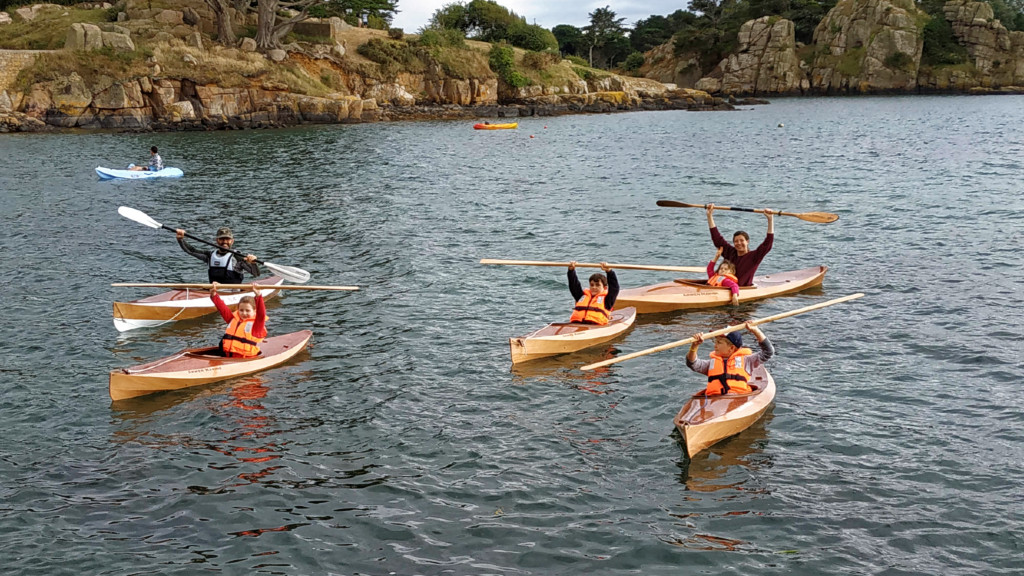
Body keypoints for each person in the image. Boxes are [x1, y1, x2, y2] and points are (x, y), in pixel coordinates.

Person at [685, 322, 773, 396]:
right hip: (714, 400)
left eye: (719, 342)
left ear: (731, 348)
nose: (715, 345)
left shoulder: (747, 361)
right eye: (715, 342)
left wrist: (755, 330)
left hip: (740, 398)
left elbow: (768, 352)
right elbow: (692, 363)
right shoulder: (711, 364)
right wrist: (694, 346)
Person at [706, 203, 774, 286]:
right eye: (736, 241)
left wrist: (770, 220)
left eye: (742, 240)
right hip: (723, 287)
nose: (739, 243)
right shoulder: (730, 253)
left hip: (741, 290)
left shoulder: (754, 257)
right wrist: (709, 216)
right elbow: (717, 239)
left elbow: (767, 244)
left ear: (747, 241)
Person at [176, 227, 260, 283]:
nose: (224, 242)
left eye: (227, 239)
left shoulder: (238, 257)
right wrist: (180, 239)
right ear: (217, 240)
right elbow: (191, 251)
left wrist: (253, 263)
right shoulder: (209, 255)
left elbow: (256, 274)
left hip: (233, 293)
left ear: (232, 241)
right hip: (214, 292)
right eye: (222, 239)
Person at [210, 282, 266, 358]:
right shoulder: (233, 319)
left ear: (254, 311)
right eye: (241, 310)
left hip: (245, 359)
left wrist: (258, 295)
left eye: (247, 310)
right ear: (238, 309)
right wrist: (214, 295)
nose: (244, 313)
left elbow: (261, 314)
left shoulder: (257, 325)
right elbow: (222, 309)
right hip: (227, 356)